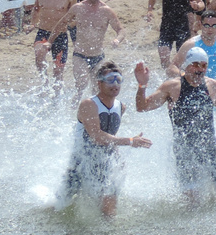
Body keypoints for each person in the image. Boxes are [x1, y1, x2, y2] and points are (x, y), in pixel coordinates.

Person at [135, 46, 216, 204]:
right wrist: (142, 86)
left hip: (210, 147)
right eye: (195, 64)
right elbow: (142, 107)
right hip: (185, 151)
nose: (200, 69)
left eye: (204, 65)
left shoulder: (212, 86)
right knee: (193, 204)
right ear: (186, 65)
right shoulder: (172, 87)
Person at [58, 62, 153, 217]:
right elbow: (97, 137)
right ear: (99, 83)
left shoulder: (120, 106)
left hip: (105, 163)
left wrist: (118, 160)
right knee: (63, 207)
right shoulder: (89, 104)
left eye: (118, 80)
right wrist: (130, 141)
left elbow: (111, 137)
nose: (115, 84)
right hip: (82, 164)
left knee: (109, 209)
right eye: (110, 80)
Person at [42, 0, 125, 94]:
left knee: (98, 90)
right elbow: (60, 25)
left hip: (98, 56)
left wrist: (117, 40)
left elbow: (121, 30)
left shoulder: (107, 11)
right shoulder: (78, 8)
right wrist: (49, 42)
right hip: (80, 55)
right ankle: (74, 106)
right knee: (82, 83)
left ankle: (94, 110)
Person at [146, 0, 206, 68]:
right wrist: (150, 10)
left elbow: (202, 4)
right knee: (164, 60)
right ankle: (167, 81)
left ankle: (180, 82)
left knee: (182, 63)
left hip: (183, 27)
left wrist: (197, 6)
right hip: (167, 26)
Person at [30, 0, 78, 83]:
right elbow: (36, 9)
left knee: (58, 72)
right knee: (39, 57)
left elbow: (74, 16)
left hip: (60, 35)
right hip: (44, 32)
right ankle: (44, 83)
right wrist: (32, 24)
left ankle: (56, 98)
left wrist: (75, 30)